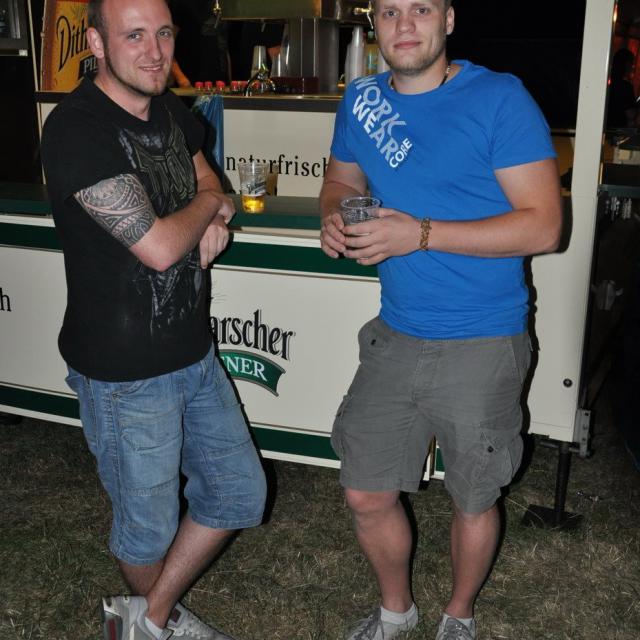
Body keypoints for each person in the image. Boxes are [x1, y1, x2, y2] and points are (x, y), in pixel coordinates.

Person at [319, 1, 562, 639]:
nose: (404, 25)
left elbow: (544, 226)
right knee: (366, 490)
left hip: (482, 339)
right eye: (390, 11)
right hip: (396, 332)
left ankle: (459, 615)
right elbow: (340, 180)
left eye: (421, 8)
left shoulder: (499, 99)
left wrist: (421, 234)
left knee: (473, 495)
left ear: (448, 20)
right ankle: (396, 610)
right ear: (374, 23)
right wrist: (334, 214)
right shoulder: (362, 99)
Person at [40, 0, 267, 638]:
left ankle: (151, 619)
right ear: (96, 42)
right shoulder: (77, 128)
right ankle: (159, 624)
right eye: (134, 35)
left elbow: (206, 177)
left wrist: (213, 204)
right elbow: (162, 247)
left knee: (240, 491)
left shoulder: (167, 109)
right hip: (124, 374)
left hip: (192, 351)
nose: (154, 50)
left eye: (163, 33)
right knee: (147, 530)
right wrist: (211, 208)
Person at [606, 48, 639, 129]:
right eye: (631, 64)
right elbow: (631, 115)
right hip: (619, 131)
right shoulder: (625, 87)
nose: (632, 67)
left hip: (607, 128)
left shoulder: (608, 84)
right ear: (625, 65)